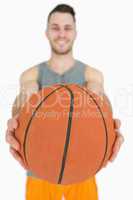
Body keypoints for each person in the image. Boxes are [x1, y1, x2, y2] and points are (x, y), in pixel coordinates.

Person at [5, 4, 124, 200]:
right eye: (55, 27)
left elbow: (99, 97)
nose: (61, 33)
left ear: (75, 32)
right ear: (46, 32)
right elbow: (26, 98)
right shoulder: (31, 75)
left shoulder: (92, 75)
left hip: (83, 172)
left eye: (67, 28)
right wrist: (18, 118)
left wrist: (109, 127)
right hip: (39, 171)